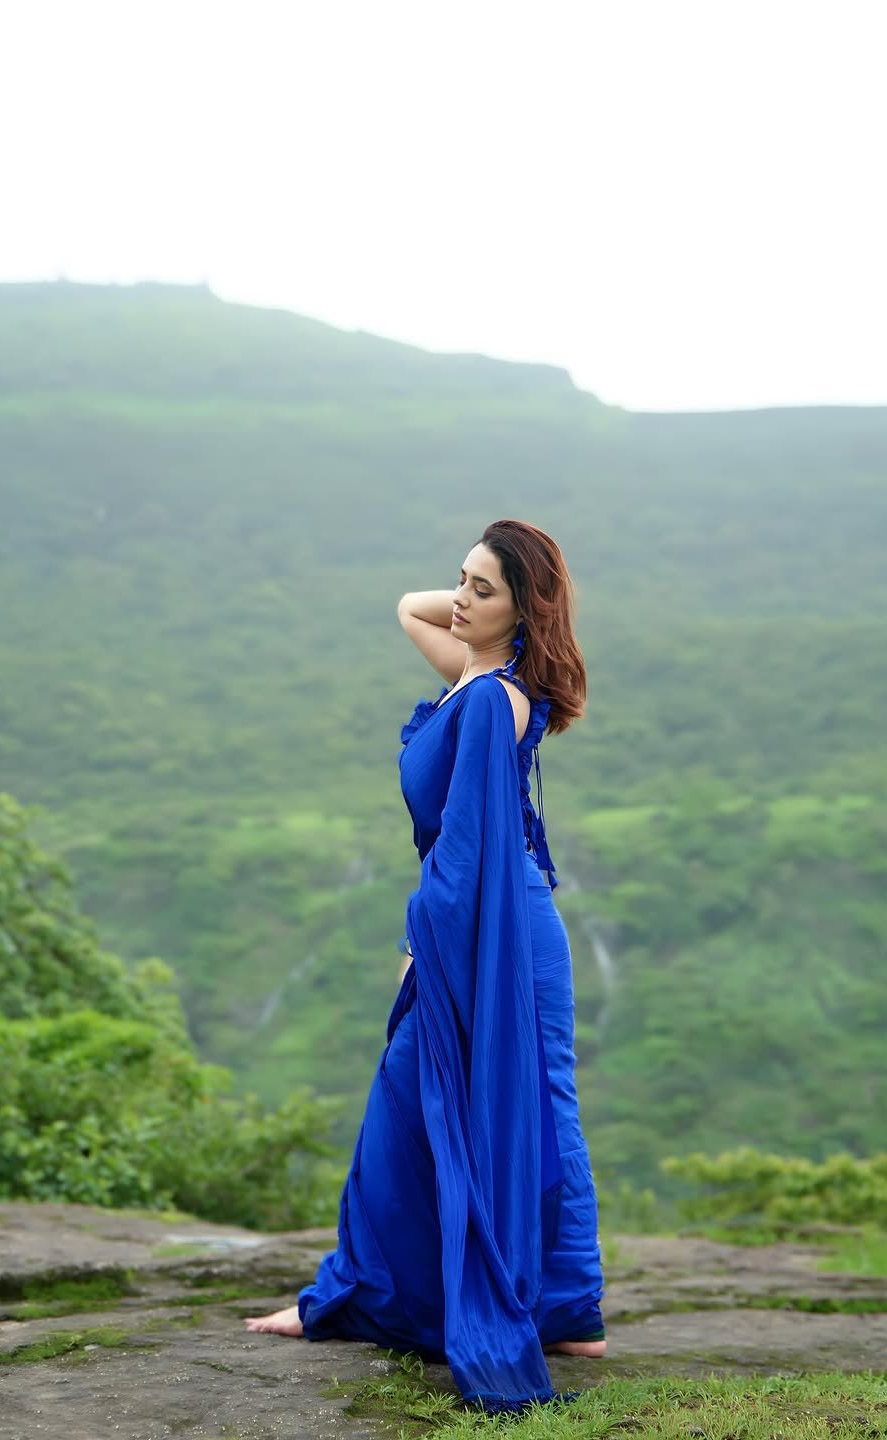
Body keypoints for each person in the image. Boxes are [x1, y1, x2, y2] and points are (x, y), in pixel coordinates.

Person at [245, 520, 605, 1412]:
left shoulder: (488, 699)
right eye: (463, 582)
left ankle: (371, 1290)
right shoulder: (480, 678)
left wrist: (423, 944)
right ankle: (568, 1305)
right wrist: (477, 598)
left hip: (490, 922)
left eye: (483, 590)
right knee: (535, 1096)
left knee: (445, 1090)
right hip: (504, 917)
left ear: (524, 609)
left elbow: (470, 845)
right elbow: (409, 608)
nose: (459, 598)